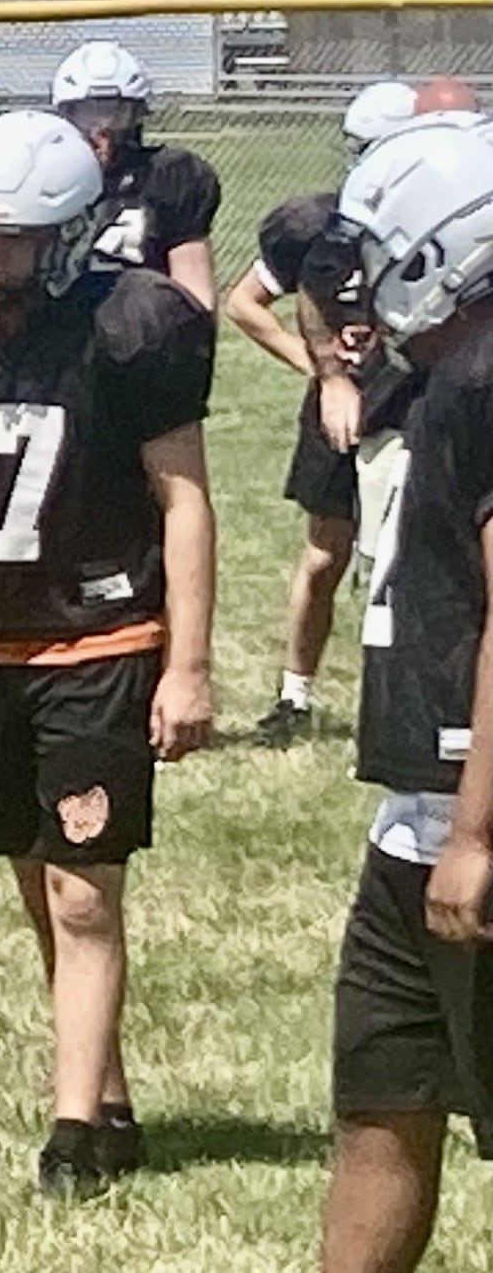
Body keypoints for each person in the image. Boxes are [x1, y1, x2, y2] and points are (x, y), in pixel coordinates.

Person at [0, 110, 215, 1194]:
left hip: (97, 635)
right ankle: (106, 1095)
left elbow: (185, 499)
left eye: (15, 241)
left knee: (83, 891)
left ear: (70, 237)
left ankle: (70, 1131)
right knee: (39, 881)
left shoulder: (130, 328)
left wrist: (189, 660)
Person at [312, 121, 493, 1273]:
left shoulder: (484, 384)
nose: (357, 283)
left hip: (469, 817)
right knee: (381, 1100)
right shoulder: (441, 380)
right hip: (413, 819)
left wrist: (476, 831)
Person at [222, 81, 417, 746]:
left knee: (419, 558)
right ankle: (294, 695)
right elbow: (245, 303)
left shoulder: (442, 221)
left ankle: (410, 696)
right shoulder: (314, 227)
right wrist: (318, 366)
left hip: (417, 402)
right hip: (344, 403)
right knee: (325, 553)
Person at [52, 41, 221, 310]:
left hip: (144, 332)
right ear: (66, 116)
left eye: (116, 113)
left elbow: (195, 297)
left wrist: (190, 344)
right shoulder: (44, 180)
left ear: (136, 116)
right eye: (87, 113)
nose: (101, 128)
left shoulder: (169, 178)